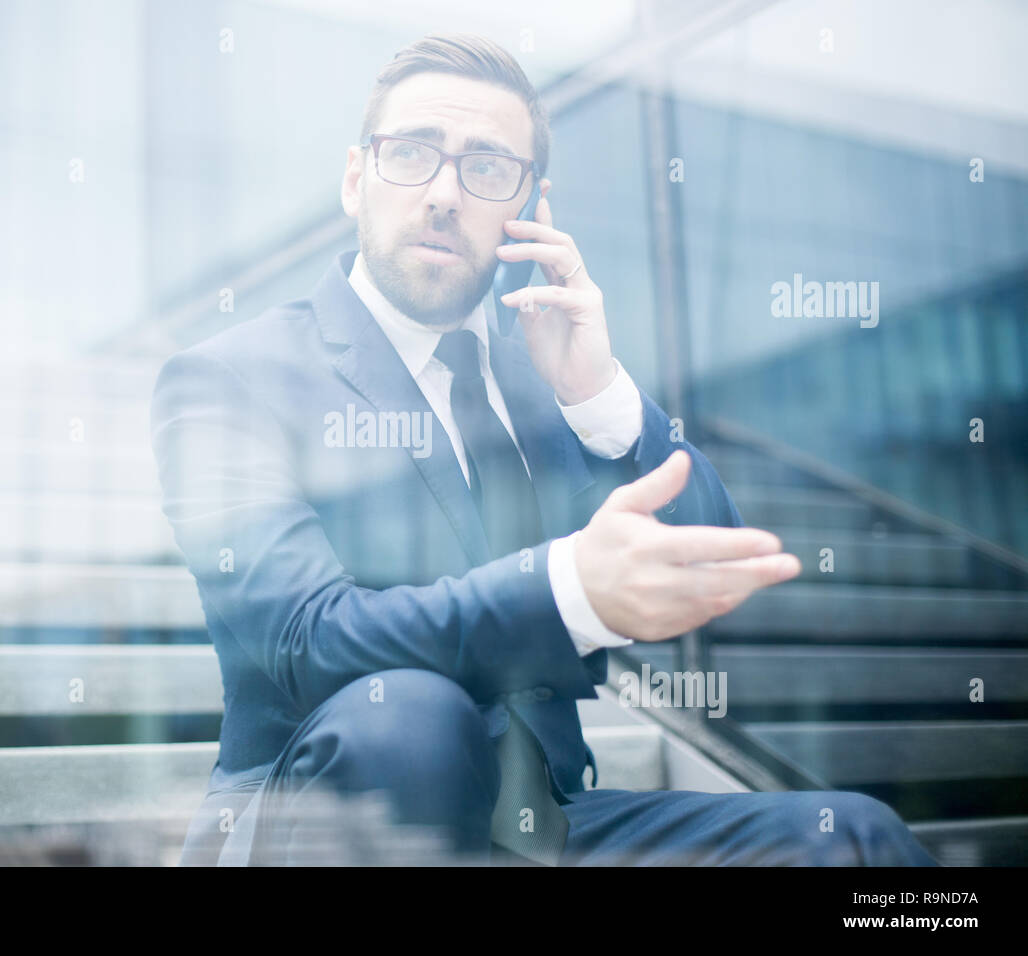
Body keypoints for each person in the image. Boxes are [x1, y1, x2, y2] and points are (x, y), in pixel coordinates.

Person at [149, 33, 937, 866]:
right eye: (413, 153)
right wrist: (566, 589)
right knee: (411, 716)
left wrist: (596, 392)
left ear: (528, 205)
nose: (445, 194)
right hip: (333, 823)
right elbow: (310, 640)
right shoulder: (228, 379)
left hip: (549, 826)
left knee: (857, 842)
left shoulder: (540, 374)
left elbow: (714, 570)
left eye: (487, 167)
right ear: (357, 178)